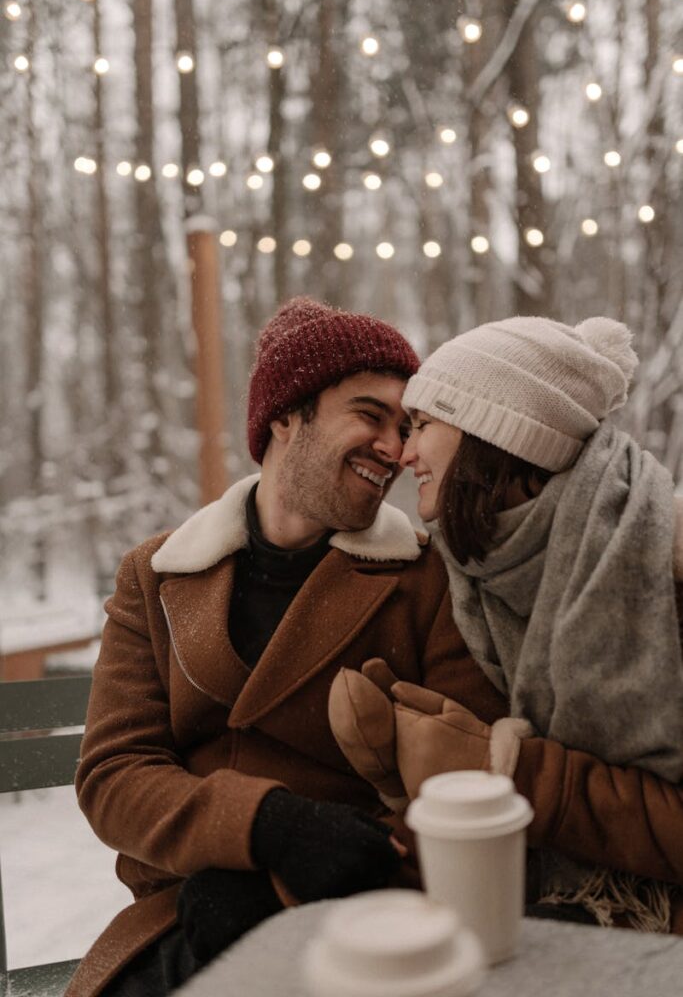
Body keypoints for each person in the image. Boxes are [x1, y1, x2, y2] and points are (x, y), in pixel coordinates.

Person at [66, 297, 508, 997]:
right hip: (181, 911)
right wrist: (264, 825)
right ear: (284, 416)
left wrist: (291, 879)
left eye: (404, 427)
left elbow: (465, 786)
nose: (394, 449)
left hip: (365, 910)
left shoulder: (425, 581)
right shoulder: (156, 576)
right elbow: (114, 775)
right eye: (369, 415)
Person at [329, 315, 683, 933]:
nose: (405, 453)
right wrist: (404, 775)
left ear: (495, 433)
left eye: (424, 425)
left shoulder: (667, 565)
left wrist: (511, 772)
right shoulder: (481, 581)